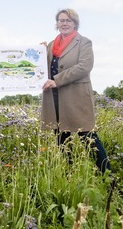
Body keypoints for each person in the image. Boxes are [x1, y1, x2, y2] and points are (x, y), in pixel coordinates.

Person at [41, 9, 110, 173]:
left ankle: (107, 175)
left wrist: (56, 80)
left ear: (75, 23)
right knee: (62, 139)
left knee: (88, 138)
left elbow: (84, 67)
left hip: (76, 97)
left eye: (68, 20)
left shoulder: (84, 42)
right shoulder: (50, 46)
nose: (64, 23)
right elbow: (35, 65)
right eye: (61, 20)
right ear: (56, 24)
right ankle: (68, 175)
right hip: (55, 99)